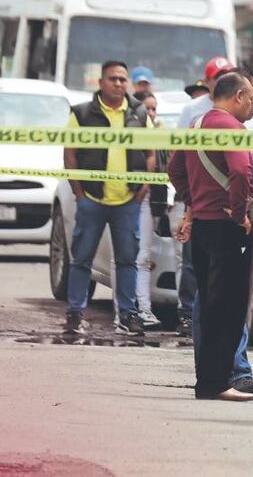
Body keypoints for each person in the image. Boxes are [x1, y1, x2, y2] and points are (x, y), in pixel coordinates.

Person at [167, 73, 253, 402]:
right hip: (227, 229)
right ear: (236, 96)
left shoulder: (195, 125)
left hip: (202, 228)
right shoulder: (232, 128)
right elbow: (241, 172)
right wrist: (239, 213)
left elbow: (174, 169)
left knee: (208, 304)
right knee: (230, 309)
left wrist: (192, 202)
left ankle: (208, 381)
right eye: (250, 98)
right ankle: (219, 382)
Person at [63, 61, 155, 337]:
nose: (119, 83)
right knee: (82, 258)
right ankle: (75, 314)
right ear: (101, 82)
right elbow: (70, 153)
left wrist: (141, 191)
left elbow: (151, 153)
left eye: (122, 79)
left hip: (128, 200)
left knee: (128, 260)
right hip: (92, 198)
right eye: (113, 79)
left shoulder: (138, 112)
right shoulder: (81, 113)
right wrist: (79, 192)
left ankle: (128, 315)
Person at [131, 89, 164, 328]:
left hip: (150, 199)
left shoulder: (160, 133)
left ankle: (143, 308)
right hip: (126, 197)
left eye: (154, 108)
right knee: (129, 257)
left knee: (143, 255)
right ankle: (131, 310)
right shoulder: (130, 129)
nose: (151, 113)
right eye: (147, 108)